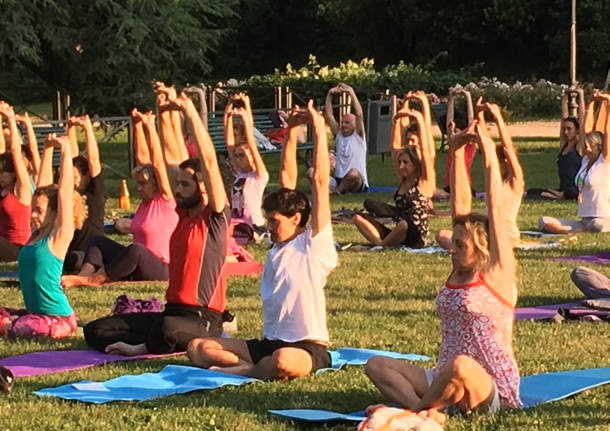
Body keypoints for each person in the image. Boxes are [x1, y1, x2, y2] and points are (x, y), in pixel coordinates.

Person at [364, 112, 522, 425]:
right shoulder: (457, 266)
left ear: (482, 248)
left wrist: (489, 152)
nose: (452, 250)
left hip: (489, 388)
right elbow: (460, 205)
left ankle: (416, 409)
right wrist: (456, 150)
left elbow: (492, 202)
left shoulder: (497, 273)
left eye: (460, 246)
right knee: (376, 365)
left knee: (460, 365)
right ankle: (427, 410)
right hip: (443, 378)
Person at [186, 100, 338, 380]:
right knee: (197, 347)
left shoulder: (314, 245)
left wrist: (318, 128)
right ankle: (250, 369)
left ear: (295, 219)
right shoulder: (278, 246)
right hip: (268, 344)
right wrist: (291, 132)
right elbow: (286, 176)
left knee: (282, 361)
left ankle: (246, 371)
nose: (269, 226)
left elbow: (319, 182)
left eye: (275, 222)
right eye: (268, 220)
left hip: (306, 347)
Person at [83, 86, 230, 356]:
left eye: (185, 185)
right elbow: (169, 160)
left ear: (204, 189)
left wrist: (188, 111)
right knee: (95, 330)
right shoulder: (182, 214)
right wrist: (162, 111)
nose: (177, 189)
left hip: (202, 319)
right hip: (172, 311)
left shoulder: (214, 218)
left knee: (167, 330)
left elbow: (208, 160)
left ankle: (143, 346)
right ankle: (152, 340)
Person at [61, 109, 179, 287]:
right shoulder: (144, 205)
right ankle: (82, 276)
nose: (138, 188)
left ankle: (92, 280)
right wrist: (137, 126)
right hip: (137, 264)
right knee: (98, 242)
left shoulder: (165, 199)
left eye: (143, 184)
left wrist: (150, 127)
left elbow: (157, 164)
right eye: (137, 184)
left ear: (156, 184)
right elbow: (142, 161)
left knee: (137, 250)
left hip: (162, 268)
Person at [0, 133, 87, 339]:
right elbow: (42, 186)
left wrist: (65, 150)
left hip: (58, 320)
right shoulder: (36, 235)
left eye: (39, 211)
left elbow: (64, 191)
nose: (33, 215)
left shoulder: (59, 236)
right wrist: (47, 149)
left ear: (54, 213)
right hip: (34, 315)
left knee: (17, 326)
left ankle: (9, 325)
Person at [437, 100, 524, 249]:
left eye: (505, 160)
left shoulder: (516, 181)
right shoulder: (495, 179)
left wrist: (498, 118)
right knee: (442, 234)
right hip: (484, 232)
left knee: (454, 237)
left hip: (505, 235)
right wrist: (480, 116)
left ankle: (466, 248)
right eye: (500, 160)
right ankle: (466, 247)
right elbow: (487, 149)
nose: (503, 162)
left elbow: (508, 148)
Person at [351, 96, 433, 248]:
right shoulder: (402, 179)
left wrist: (420, 119)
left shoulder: (423, 182)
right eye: (400, 162)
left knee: (402, 225)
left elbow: (427, 149)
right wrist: (396, 122)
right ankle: (381, 243)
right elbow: (394, 147)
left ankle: (380, 246)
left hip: (416, 238)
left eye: (405, 162)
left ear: (415, 164)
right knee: (358, 218)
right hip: (400, 233)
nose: (401, 166)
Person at [539, 91, 610, 233]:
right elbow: (585, 131)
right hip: (584, 219)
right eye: (586, 144)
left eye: (591, 145)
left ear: (600, 147)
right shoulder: (585, 160)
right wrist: (590, 103)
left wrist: (608, 103)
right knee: (543, 221)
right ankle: (574, 230)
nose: (587, 147)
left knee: (596, 225)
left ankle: (573, 230)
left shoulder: (604, 161)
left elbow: (608, 132)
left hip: (603, 219)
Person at [63, 115, 107, 273]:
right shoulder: (69, 192)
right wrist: (70, 127)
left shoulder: (95, 191)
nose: (71, 181)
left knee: (75, 259)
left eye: (74, 178)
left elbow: (94, 160)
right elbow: (72, 158)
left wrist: (87, 128)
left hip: (91, 252)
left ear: (87, 176)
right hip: (71, 252)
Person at [224, 93, 269, 242]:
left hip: (254, 224)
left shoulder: (258, 176)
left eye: (241, 155)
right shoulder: (239, 173)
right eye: (236, 156)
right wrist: (229, 111)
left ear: (251, 156)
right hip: (236, 223)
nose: (237, 159)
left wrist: (245, 114)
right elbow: (229, 140)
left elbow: (252, 144)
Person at [527, 88, 585, 200]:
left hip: (574, 190)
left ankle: (557, 196)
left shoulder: (579, 147)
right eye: (565, 129)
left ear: (577, 130)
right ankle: (556, 194)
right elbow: (563, 118)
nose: (566, 132)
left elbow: (582, 121)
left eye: (569, 129)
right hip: (562, 189)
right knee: (531, 192)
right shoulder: (564, 145)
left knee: (572, 192)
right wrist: (564, 98)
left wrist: (581, 95)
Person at [320, 82, 368, 194]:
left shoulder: (359, 136)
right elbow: (329, 116)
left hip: (356, 181)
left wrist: (351, 92)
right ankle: (335, 189)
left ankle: (337, 192)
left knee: (354, 173)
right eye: (342, 122)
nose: (343, 125)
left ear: (354, 124)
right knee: (311, 172)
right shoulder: (339, 134)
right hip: (338, 179)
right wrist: (330, 94)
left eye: (347, 122)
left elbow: (359, 114)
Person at [0, 102, 32, 261]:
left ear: (14, 173)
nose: (0, 176)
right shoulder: (2, 189)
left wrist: (11, 119)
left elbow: (15, 151)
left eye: (3, 172)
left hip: (18, 250)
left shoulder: (22, 189)